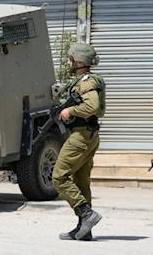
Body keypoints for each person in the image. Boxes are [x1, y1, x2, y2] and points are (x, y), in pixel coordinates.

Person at [52, 43, 105, 241]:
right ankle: (84, 229)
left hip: (81, 137)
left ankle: (86, 214)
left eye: (70, 59)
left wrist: (70, 111)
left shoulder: (85, 81)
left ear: (80, 61)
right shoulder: (82, 81)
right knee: (81, 182)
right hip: (88, 136)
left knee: (59, 177)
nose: (68, 62)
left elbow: (92, 105)